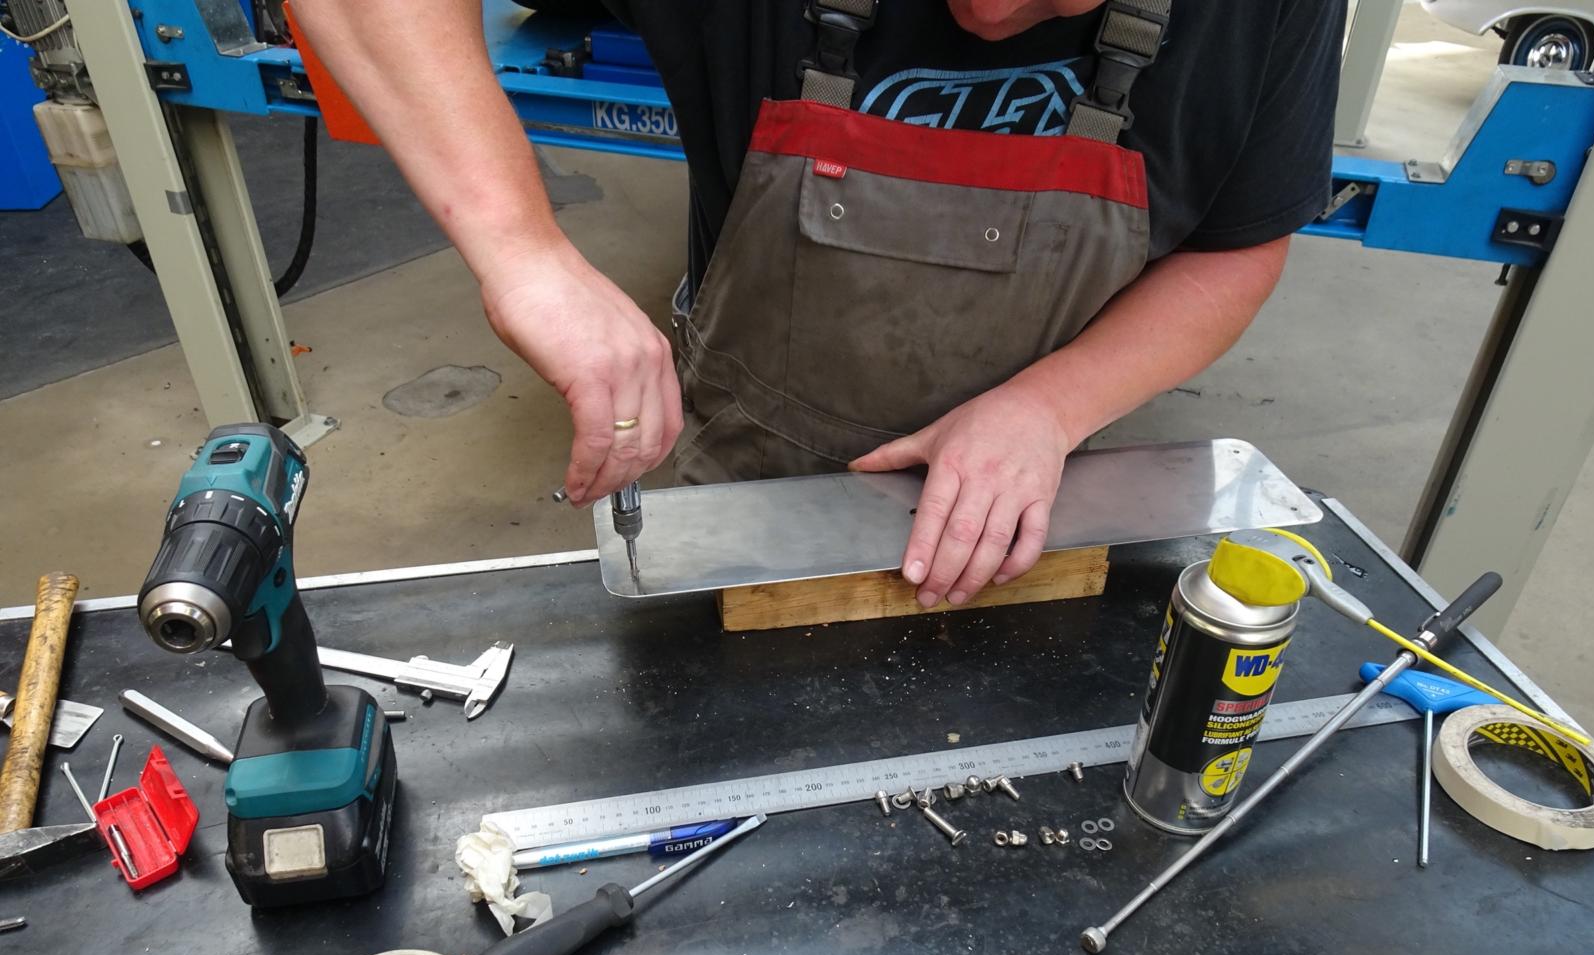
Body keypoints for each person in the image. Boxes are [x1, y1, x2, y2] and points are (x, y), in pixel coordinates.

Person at [293, 0, 1342, 607]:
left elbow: (1235, 247)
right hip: (739, 487)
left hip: (1040, 501)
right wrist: (524, 251)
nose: (987, 9)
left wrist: (1049, 407)